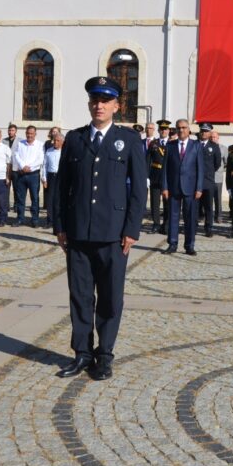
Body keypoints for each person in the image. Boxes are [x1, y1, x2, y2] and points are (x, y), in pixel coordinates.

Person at [54, 76, 146, 381]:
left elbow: (139, 189)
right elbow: (62, 186)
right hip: (79, 231)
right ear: (89, 104)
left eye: (105, 101)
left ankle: (104, 355)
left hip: (113, 234)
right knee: (80, 297)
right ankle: (82, 353)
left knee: (109, 298)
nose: (99, 106)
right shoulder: (75, 139)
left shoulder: (129, 140)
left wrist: (131, 229)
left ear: (116, 106)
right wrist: (60, 226)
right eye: (95, 100)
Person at [162, 119, 204, 255]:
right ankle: (172, 244)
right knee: (172, 217)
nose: (181, 130)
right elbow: (165, 169)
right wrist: (165, 187)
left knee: (190, 218)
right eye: (179, 128)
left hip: (191, 188)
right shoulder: (170, 146)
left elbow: (200, 169)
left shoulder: (196, 146)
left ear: (189, 129)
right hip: (173, 187)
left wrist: (199, 188)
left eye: (184, 127)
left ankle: (189, 245)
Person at [11, 125, 44, 227]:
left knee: (35, 198)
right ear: (25, 133)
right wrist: (23, 166)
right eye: (28, 133)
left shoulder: (40, 145)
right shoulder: (20, 143)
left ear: (35, 134)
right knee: (20, 198)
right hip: (21, 174)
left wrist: (29, 167)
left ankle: (35, 220)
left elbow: (40, 159)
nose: (29, 135)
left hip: (33, 175)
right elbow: (16, 155)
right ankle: (20, 218)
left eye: (31, 133)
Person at [196, 123, 222, 238]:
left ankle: (208, 228)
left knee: (208, 207)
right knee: (195, 205)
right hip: (195, 180)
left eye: (206, 131)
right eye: (202, 131)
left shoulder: (214, 146)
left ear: (210, 133)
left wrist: (208, 172)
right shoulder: (194, 144)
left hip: (208, 180)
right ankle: (193, 225)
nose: (203, 133)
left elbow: (217, 163)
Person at [146, 120, 171, 234]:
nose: (163, 131)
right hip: (155, 175)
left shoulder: (172, 143)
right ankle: (156, 224)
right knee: (155, 202)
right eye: (161, 129)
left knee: (167, 202)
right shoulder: (153, 143)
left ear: (168, 130)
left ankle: (166, 224)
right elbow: (147, 160)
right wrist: (146, 176)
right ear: (159, 130)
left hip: (168, 177)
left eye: (165, 129)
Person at [42, 131, 64, 229]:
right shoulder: (49, 151)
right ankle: (50, 221)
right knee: (50, 199)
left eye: (57, 140)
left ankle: (59, 220)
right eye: (54, 140)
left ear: (62, 142)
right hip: (51, 176)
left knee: (59, 200)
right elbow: (44, 165)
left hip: (61, 176)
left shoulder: (65, 151)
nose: (55, 142)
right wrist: (44, 179)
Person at [211, 130, 228, 223]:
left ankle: (219, 216)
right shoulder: (206, 147)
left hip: (218, 176)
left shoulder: (223, 148)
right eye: (211, 137)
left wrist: (221, 170)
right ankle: (208, 216)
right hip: (208, 177)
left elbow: (226, 162)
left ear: (218, 138)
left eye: (214, 137)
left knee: (218, 198)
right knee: (208, 198)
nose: (213, 139)